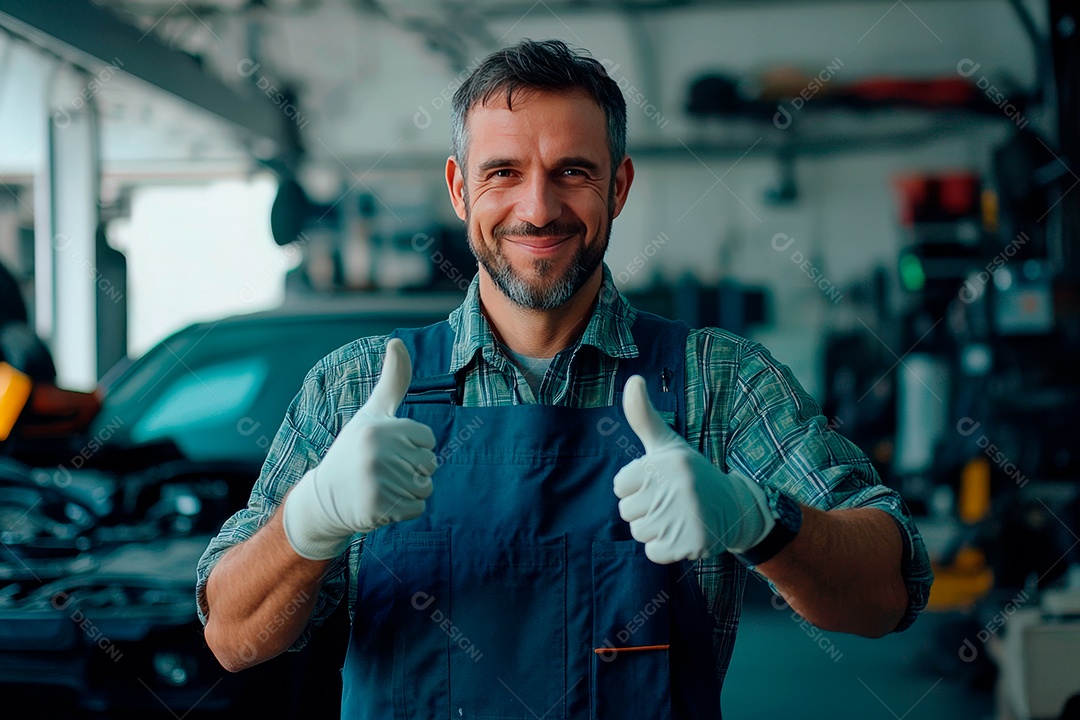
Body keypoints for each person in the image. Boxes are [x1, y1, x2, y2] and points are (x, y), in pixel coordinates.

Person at [197, 38, 933, 717]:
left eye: (572, 172)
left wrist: (758, 518)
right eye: (503, 174)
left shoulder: (720, 381)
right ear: (460, 189)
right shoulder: (353, 390)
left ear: (618, 186)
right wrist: (310, 517)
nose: (538, 208)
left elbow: (889, 592)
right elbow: (231, 637)